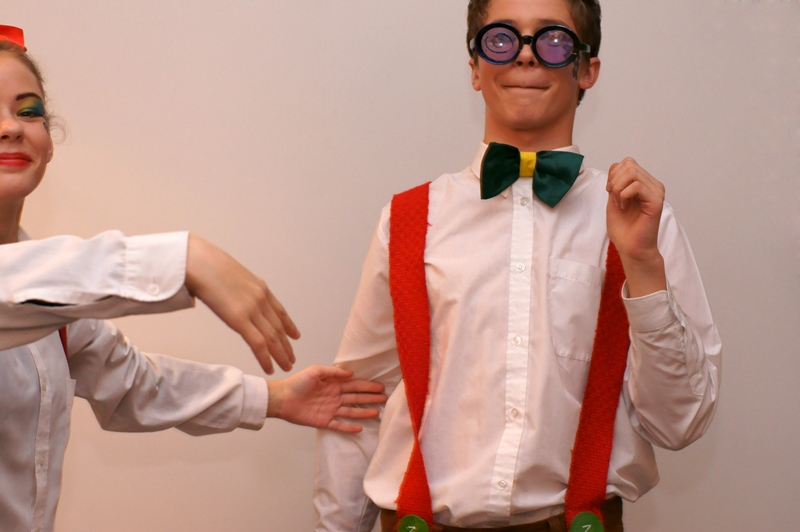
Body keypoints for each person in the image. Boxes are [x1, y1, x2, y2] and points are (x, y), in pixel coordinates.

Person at [314, 0, 721, 530]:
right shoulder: (409, 219)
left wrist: (642, 264)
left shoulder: (639, 219)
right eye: (503, 39)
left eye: (552, 40)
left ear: (586, 69)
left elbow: (679, 424)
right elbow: (356, 405)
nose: (526, 55)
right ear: (475, 67)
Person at [0, 26, 387, 532]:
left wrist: (278, 398)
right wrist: (186, 258)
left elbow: (136, 383)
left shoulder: (58, 300)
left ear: (51, 143)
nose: (10, 127)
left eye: (28, 111)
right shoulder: (46, 285)